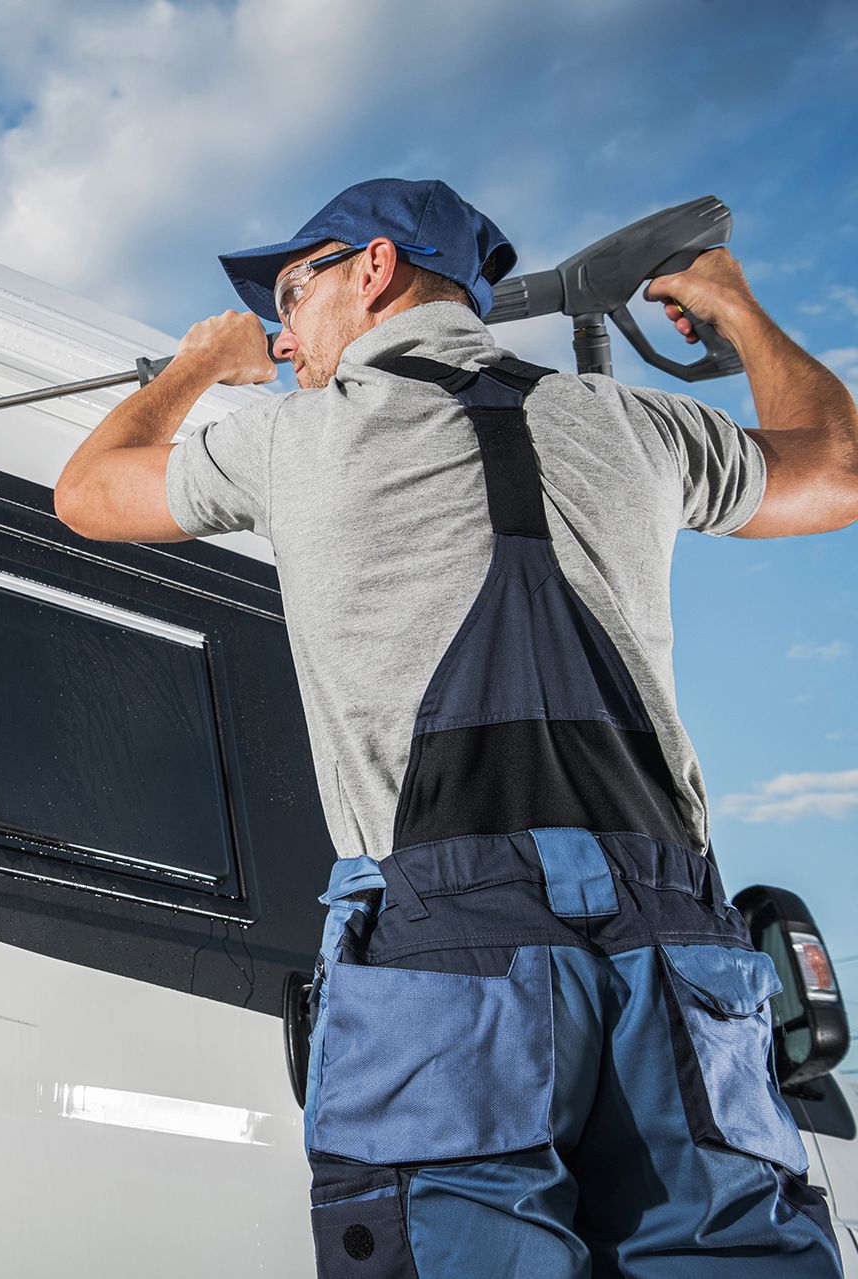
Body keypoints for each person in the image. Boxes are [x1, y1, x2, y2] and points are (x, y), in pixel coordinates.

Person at [53, 178, 858, 1277]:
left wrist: (203, 362)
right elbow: (836, 467)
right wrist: (735, 304)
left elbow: (89, 492)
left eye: (292, 292)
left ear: (373, 269)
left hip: (451, 956)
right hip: (676, 943)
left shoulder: (294, 441)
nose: (284, 335)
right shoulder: (637, 425)